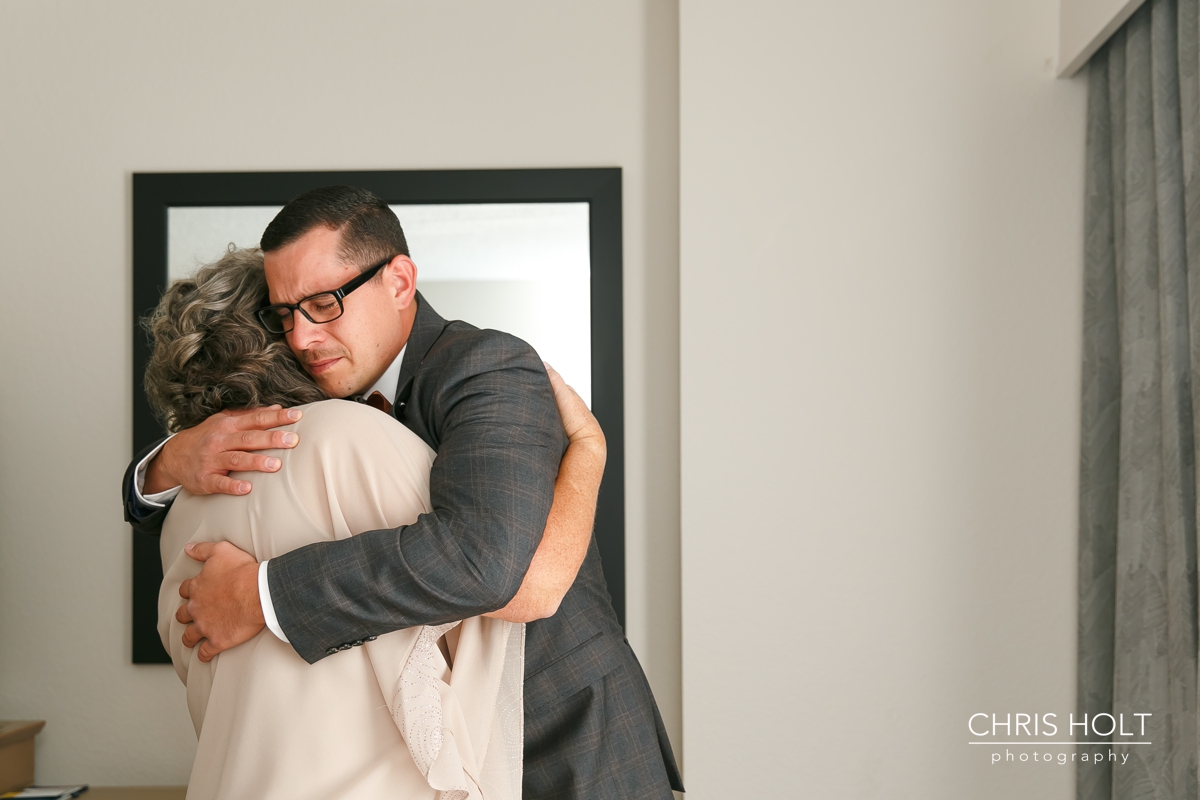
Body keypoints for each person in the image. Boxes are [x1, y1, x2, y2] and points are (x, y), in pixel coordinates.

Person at [122, 186, 683, 798]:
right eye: (285, 315)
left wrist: (261, 594)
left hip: (563, 738)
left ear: (399, 281)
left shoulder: (483, 365)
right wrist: (165, 462)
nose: (303, 337)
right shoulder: (321, 406)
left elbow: (484, 562)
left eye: (323, 303)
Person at [147, 247, 578, 798]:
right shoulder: (352, 440)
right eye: (292, 316)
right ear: (282, 341)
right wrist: (589, 449)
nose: (309, 333)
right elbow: (503, 587)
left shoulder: (178, 506)